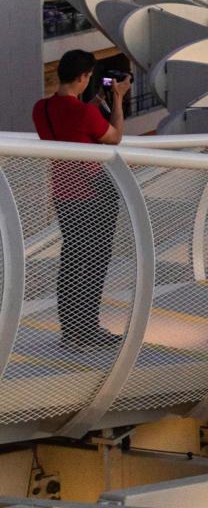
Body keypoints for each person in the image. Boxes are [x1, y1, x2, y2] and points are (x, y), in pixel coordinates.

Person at [33, 49, 129, 351]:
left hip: (63, 193)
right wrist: (117, 99)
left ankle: (71, 332)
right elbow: (115, 137)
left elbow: (71, 130)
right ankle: (88, 331)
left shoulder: (41, 108)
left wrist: (92, 107)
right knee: (95, 263)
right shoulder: (85, 113)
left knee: (72, 260)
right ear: (84, 77)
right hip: (94, 193)